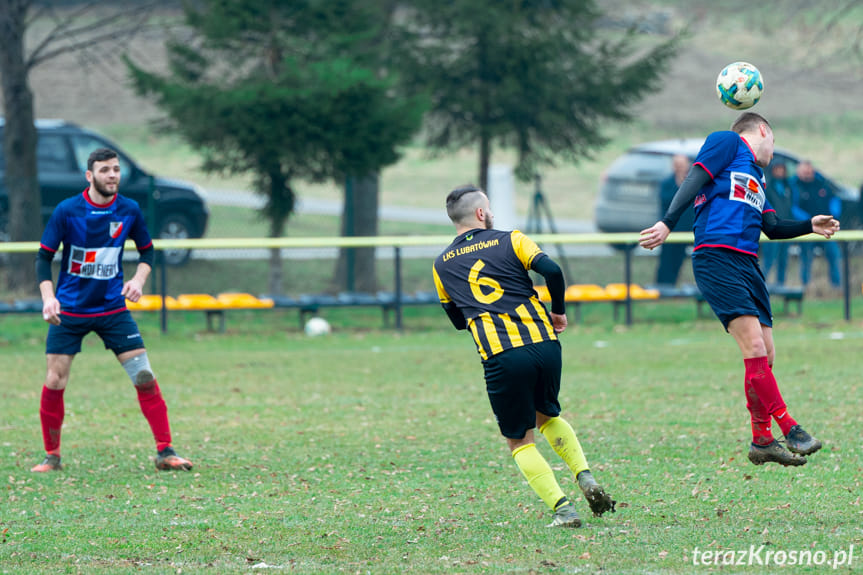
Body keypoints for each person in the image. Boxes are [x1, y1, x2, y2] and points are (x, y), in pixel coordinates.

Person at [639, 112, 839, 467]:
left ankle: (762, 440)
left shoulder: (758, 178)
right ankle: (789, 427)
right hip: (717, 256)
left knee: (767, 355)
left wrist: (809, 224)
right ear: (763, 130)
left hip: (748, 265)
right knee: (755, 346)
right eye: (774, 144)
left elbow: (773, 227)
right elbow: (695, 176)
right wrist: (667, 222)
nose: (773, 154)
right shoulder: (727, 142)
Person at [432, 184, 615, 528]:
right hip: (545, 343)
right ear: (481, 214)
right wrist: (558, 312)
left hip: (502, 354)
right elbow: (554, 271)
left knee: (519, 439)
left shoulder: (441, 264)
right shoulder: (512, 239)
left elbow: (457, 321)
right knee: (546, 415)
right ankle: (584, 475)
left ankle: (564, 510)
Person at [32, 148, 193, 473]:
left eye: (116, 170)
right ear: (90, 176)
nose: (113, 176)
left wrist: (138, 280)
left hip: (112, 310)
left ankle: (166, 452)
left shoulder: (129, 210)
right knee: (55, 381)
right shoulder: (67, 211)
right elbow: (42, 259)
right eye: (105, 170)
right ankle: (52, 456)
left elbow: (148, 254)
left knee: (144, 376)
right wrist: (49, 297)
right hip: (71, 311)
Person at [790, 160, 842, 288]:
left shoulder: (821, 182)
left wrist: (834, 213)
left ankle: (836, 286)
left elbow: (834, 198)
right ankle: (805, 286)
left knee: (834, 254)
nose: (808, 174)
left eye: (809, 171)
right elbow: (792, 207)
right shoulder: (794, 185)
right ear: (799, 172)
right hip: (808, 228)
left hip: (826, 227)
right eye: (804, 171)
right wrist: (808, 221)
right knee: (806, 257)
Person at [655, 154, 695, 286]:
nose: (679, 168)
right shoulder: (667, 183)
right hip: (671, 230)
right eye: (677, 165)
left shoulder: (693, 182)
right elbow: (665, 202)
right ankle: (664, 286)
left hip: (690, 229)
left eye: (682, 164)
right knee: (668, 260)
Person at [760, 162, 793, 285]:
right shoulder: (768, 187)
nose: (780, 172)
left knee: (783, 259)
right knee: (769, 259)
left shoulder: (788, 186)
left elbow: (790, 207)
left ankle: (781, 284)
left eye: (782, 169)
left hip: (785, 226)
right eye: (777, 169)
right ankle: (762, 284)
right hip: (773, 227)